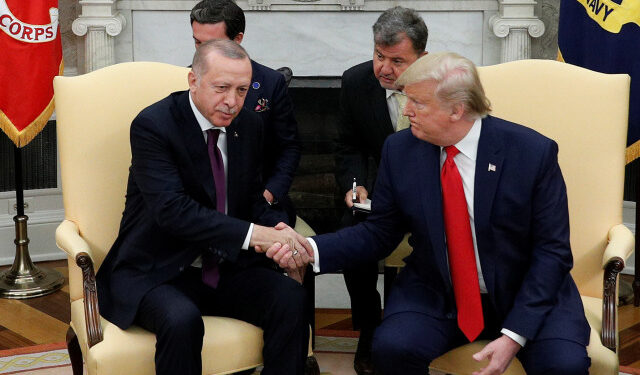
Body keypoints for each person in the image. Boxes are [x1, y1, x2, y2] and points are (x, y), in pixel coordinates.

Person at [269, 52, 591, 375]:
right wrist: (310, 249)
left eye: (417, 103)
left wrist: (514, 334)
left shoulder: (532, 154)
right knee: (391, 347)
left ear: (457, 109)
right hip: (439, 291)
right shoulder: (400, 150)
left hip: (527, 292)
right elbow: (378, 232)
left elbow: (553, 252)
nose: (406, 111)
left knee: (565, 366)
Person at [96, 40, 311, 375]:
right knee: (181, 320)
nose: (232, 102)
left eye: (242, 90)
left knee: (289, 299)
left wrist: (279, 230)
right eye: (222, 88)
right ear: (193, 81)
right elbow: (173, 210)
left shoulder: (248, 126)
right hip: (157, 268)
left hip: (224, 267)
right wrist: (257, 234)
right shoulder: (154, 125)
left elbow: (253, 199)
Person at [334, 6, 427, 374]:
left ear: (421, 57)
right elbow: (349, 145)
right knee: (348, 229)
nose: (384, 69)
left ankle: (420, 320)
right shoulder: (356, 82)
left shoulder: (447, 82)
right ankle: (370, 325)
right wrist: (354, 186)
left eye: (397, 61)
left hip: (435, 196)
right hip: (382, 198)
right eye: (378, 56)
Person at [190, 0, 300, 225]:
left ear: (237, 39)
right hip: (202, 206)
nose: (203, 53)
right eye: (198, 43)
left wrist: (269, 194)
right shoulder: (189, 82)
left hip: (260, 203)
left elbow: (288, 147)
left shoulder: (270, 83)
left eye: (212, 44)